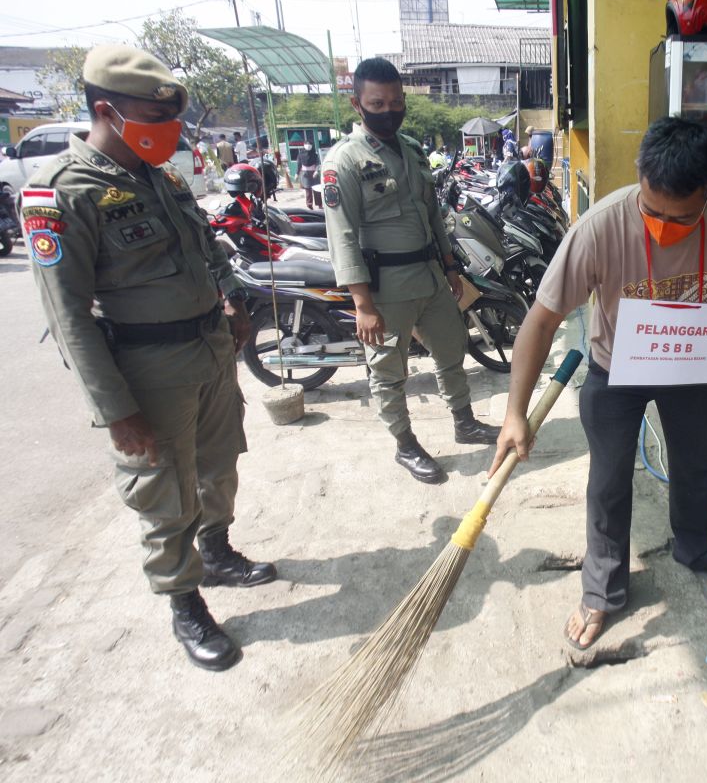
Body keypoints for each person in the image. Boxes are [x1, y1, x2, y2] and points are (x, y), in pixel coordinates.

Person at [489, 117, 707, 650]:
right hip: (617, 369)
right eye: (650, 208)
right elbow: (541, 320)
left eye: (677, 217)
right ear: (639, 179)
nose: (659, 224)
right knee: (609, 481)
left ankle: (697, 548)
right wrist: (514, 411)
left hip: (693, 364)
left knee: (700, 465)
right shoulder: (601, 226)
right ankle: (602, 589)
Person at [21, 45, 276, 672]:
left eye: (171, 118)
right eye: (153, 116)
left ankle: (216, 551)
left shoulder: (160, 177)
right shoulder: (61, 192)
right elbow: (68, 316)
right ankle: (183, 600)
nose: (169, 130)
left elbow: (207, 248)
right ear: (106, 110)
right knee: (164, 491)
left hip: (208, 350)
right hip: (147, 368)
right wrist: (115, 412)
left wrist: (234, 299)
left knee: (220, 464)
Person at [322, 58, 500, 484]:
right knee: (388, 370)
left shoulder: (414, 150)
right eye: (377, 103)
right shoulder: (345, 160)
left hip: (430, 276)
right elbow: (342, 235)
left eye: (396, 101)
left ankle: (464, 422)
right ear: (357, 104)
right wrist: (362, 304)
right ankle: (405, 444)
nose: (389, 110)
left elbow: (433, 214)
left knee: (452, 349)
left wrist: (451, 265)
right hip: (384, 288)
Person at [298, 141, 322, 209]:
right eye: (307, 144)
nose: (308, 145)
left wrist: (316, 171)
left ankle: (319, 204)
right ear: (304, 145)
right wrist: (297, 173)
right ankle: (309, 205)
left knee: (317, 189)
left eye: (310, 144)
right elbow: (299, 164)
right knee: (308, 190)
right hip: (305, 174)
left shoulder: (315, 154)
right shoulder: (300, 154)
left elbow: (318, 163)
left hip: (314, 173)